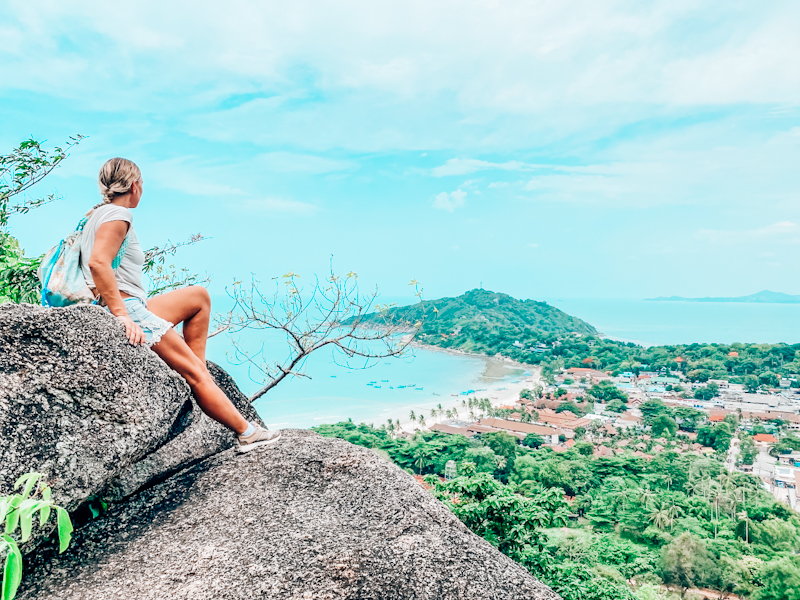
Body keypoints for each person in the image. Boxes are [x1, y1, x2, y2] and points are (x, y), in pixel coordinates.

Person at [79, 157, 279, 452]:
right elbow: (99, 264)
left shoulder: (94, 215)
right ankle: (246, 432)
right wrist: (122, 315)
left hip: (126, 305)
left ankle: (199, 371)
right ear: (135, 185)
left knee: (198, 297)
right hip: (125, 308)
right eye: (142, 183)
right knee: (194, 376)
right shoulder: (119, 216)